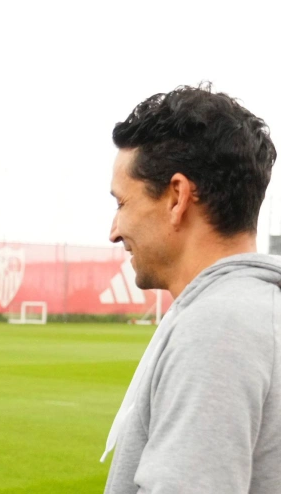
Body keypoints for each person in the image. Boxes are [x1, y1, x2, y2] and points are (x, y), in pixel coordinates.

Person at [102, 84, 280, 493]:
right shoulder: (258, 308)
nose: (114, 231)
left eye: (121, 203)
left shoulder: (218, 327)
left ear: (177, 197)